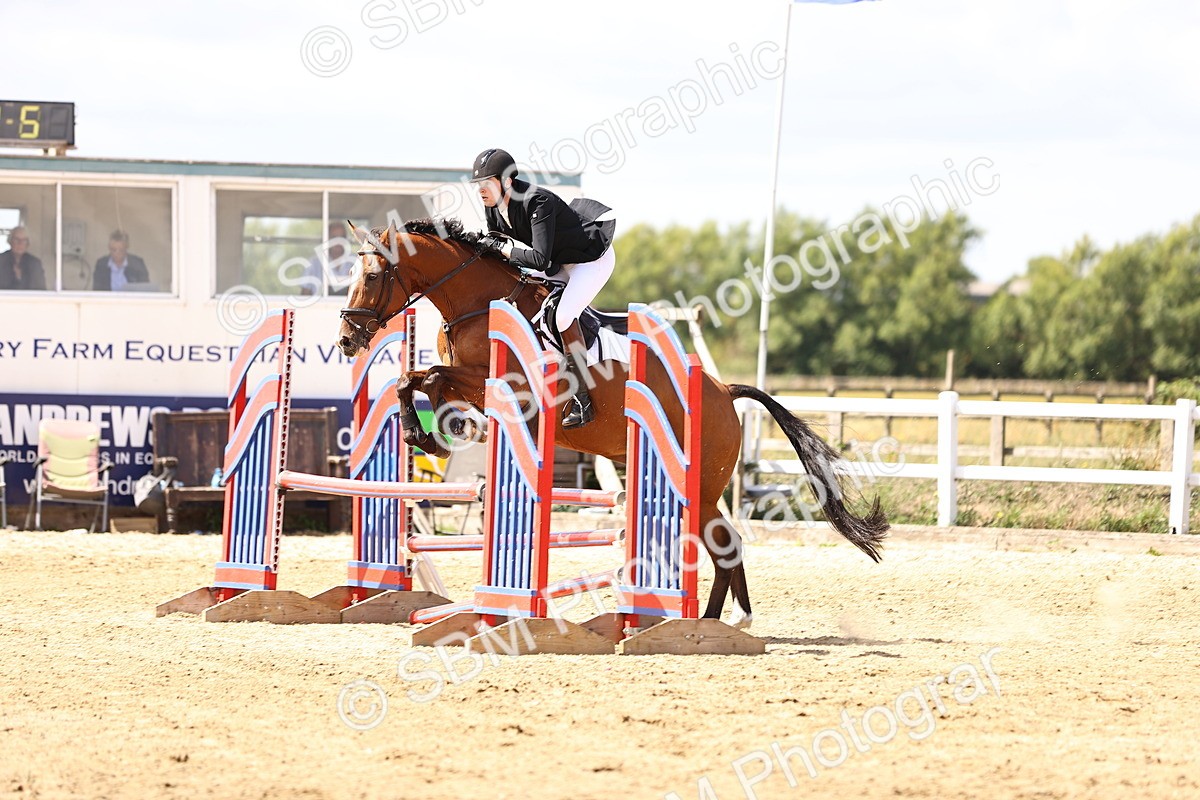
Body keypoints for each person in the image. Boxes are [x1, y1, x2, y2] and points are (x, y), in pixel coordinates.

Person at [471, 147, 616, 429]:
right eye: (478, 185)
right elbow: (493, 241)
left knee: (563, 317)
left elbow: (538, 258)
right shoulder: (493, 205)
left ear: (507, 181)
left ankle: (582, 399)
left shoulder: (538, 202)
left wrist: (504, 251)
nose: (481, 191)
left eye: (486, 183)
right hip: (559, 262)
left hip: (590, 260)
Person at [302, 221, 354, 296]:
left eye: (342, 237)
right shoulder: (314, 263)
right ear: (327, 239)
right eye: (334, 237)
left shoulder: (356, 261)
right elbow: (304, 294)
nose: (339, 241)